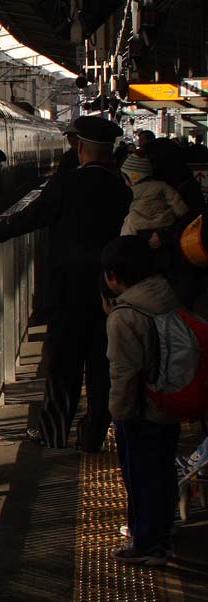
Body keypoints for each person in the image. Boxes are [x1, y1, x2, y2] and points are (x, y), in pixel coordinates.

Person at [0, 115, 132, 449]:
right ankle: (94, 435)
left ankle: (54, 433)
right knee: (102, 365)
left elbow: (34, 216)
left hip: (68, 289)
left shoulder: (68, 183)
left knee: (63, 364)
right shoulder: (121, 188)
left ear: (81, 147)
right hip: (108, 289)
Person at [102, 235, 184, 566]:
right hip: (170, 401)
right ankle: (158, 533)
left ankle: (148, 543)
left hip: (142, 409)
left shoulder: (125, 316)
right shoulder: (165, 294)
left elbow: (125, 373)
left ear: (113, 276)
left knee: (140, 475)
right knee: (163, 471)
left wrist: (119, 414)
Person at [119, 154, 191, 236]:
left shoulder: (131, 191)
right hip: (163, 223)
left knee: (128, 223)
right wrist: (183, 214)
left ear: (133, 177)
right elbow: (178, 204)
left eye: (125, 178)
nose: (125, 182)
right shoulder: (162, 185)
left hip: (138, 225)